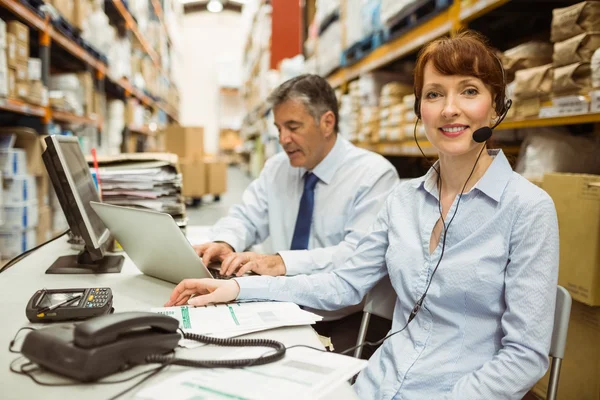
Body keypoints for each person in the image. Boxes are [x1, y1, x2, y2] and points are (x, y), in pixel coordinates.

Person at [166, 31, 559, 399]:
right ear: (420, 109)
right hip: (375, 383)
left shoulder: (528, 209)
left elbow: (524, 356)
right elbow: (343, 284)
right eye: (434, 94)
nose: (449, 109)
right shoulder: (404, 200)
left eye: (469, 92)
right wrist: (237, 289)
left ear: (497, 105)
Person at [196, 74, 399, 351]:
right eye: (278, 128)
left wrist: (282, 263)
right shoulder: (278, 168)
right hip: (275, 301)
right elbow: (246, 216)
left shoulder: (374, 175)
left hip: (339, 316)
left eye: (293, 127)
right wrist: (225, 242)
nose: (283, 139)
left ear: (327, 123)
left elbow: (355, 256)